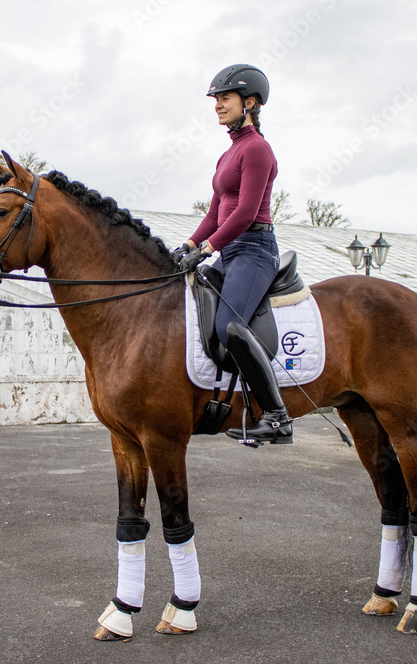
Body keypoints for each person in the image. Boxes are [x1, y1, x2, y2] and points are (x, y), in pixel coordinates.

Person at [172, 64, 293, 445]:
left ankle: (277, 418)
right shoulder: (229, 153)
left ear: (250, 103)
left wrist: (208, 248)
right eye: (216, 99)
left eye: (224, 98)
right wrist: (190, 246)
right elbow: (215, 213)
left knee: (230, 326)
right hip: (230, 249)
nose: (217, 105)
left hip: (255, 250)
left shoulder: (257, 149)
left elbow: (244, 213)